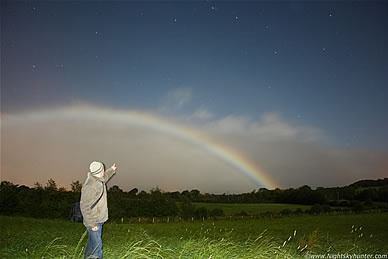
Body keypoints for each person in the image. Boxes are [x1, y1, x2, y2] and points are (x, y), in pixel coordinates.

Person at [80, 161, 117, 259]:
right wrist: (92, 225)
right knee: (97, 247)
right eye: (103, 170)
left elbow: (105, 177)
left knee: (92, 242)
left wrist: (112, 170)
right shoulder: (89, 187)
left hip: (99, 218)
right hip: (94, 220)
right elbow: (84, 207)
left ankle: (87, 257)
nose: (104, 172)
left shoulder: (99, 178)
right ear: (99, 172)